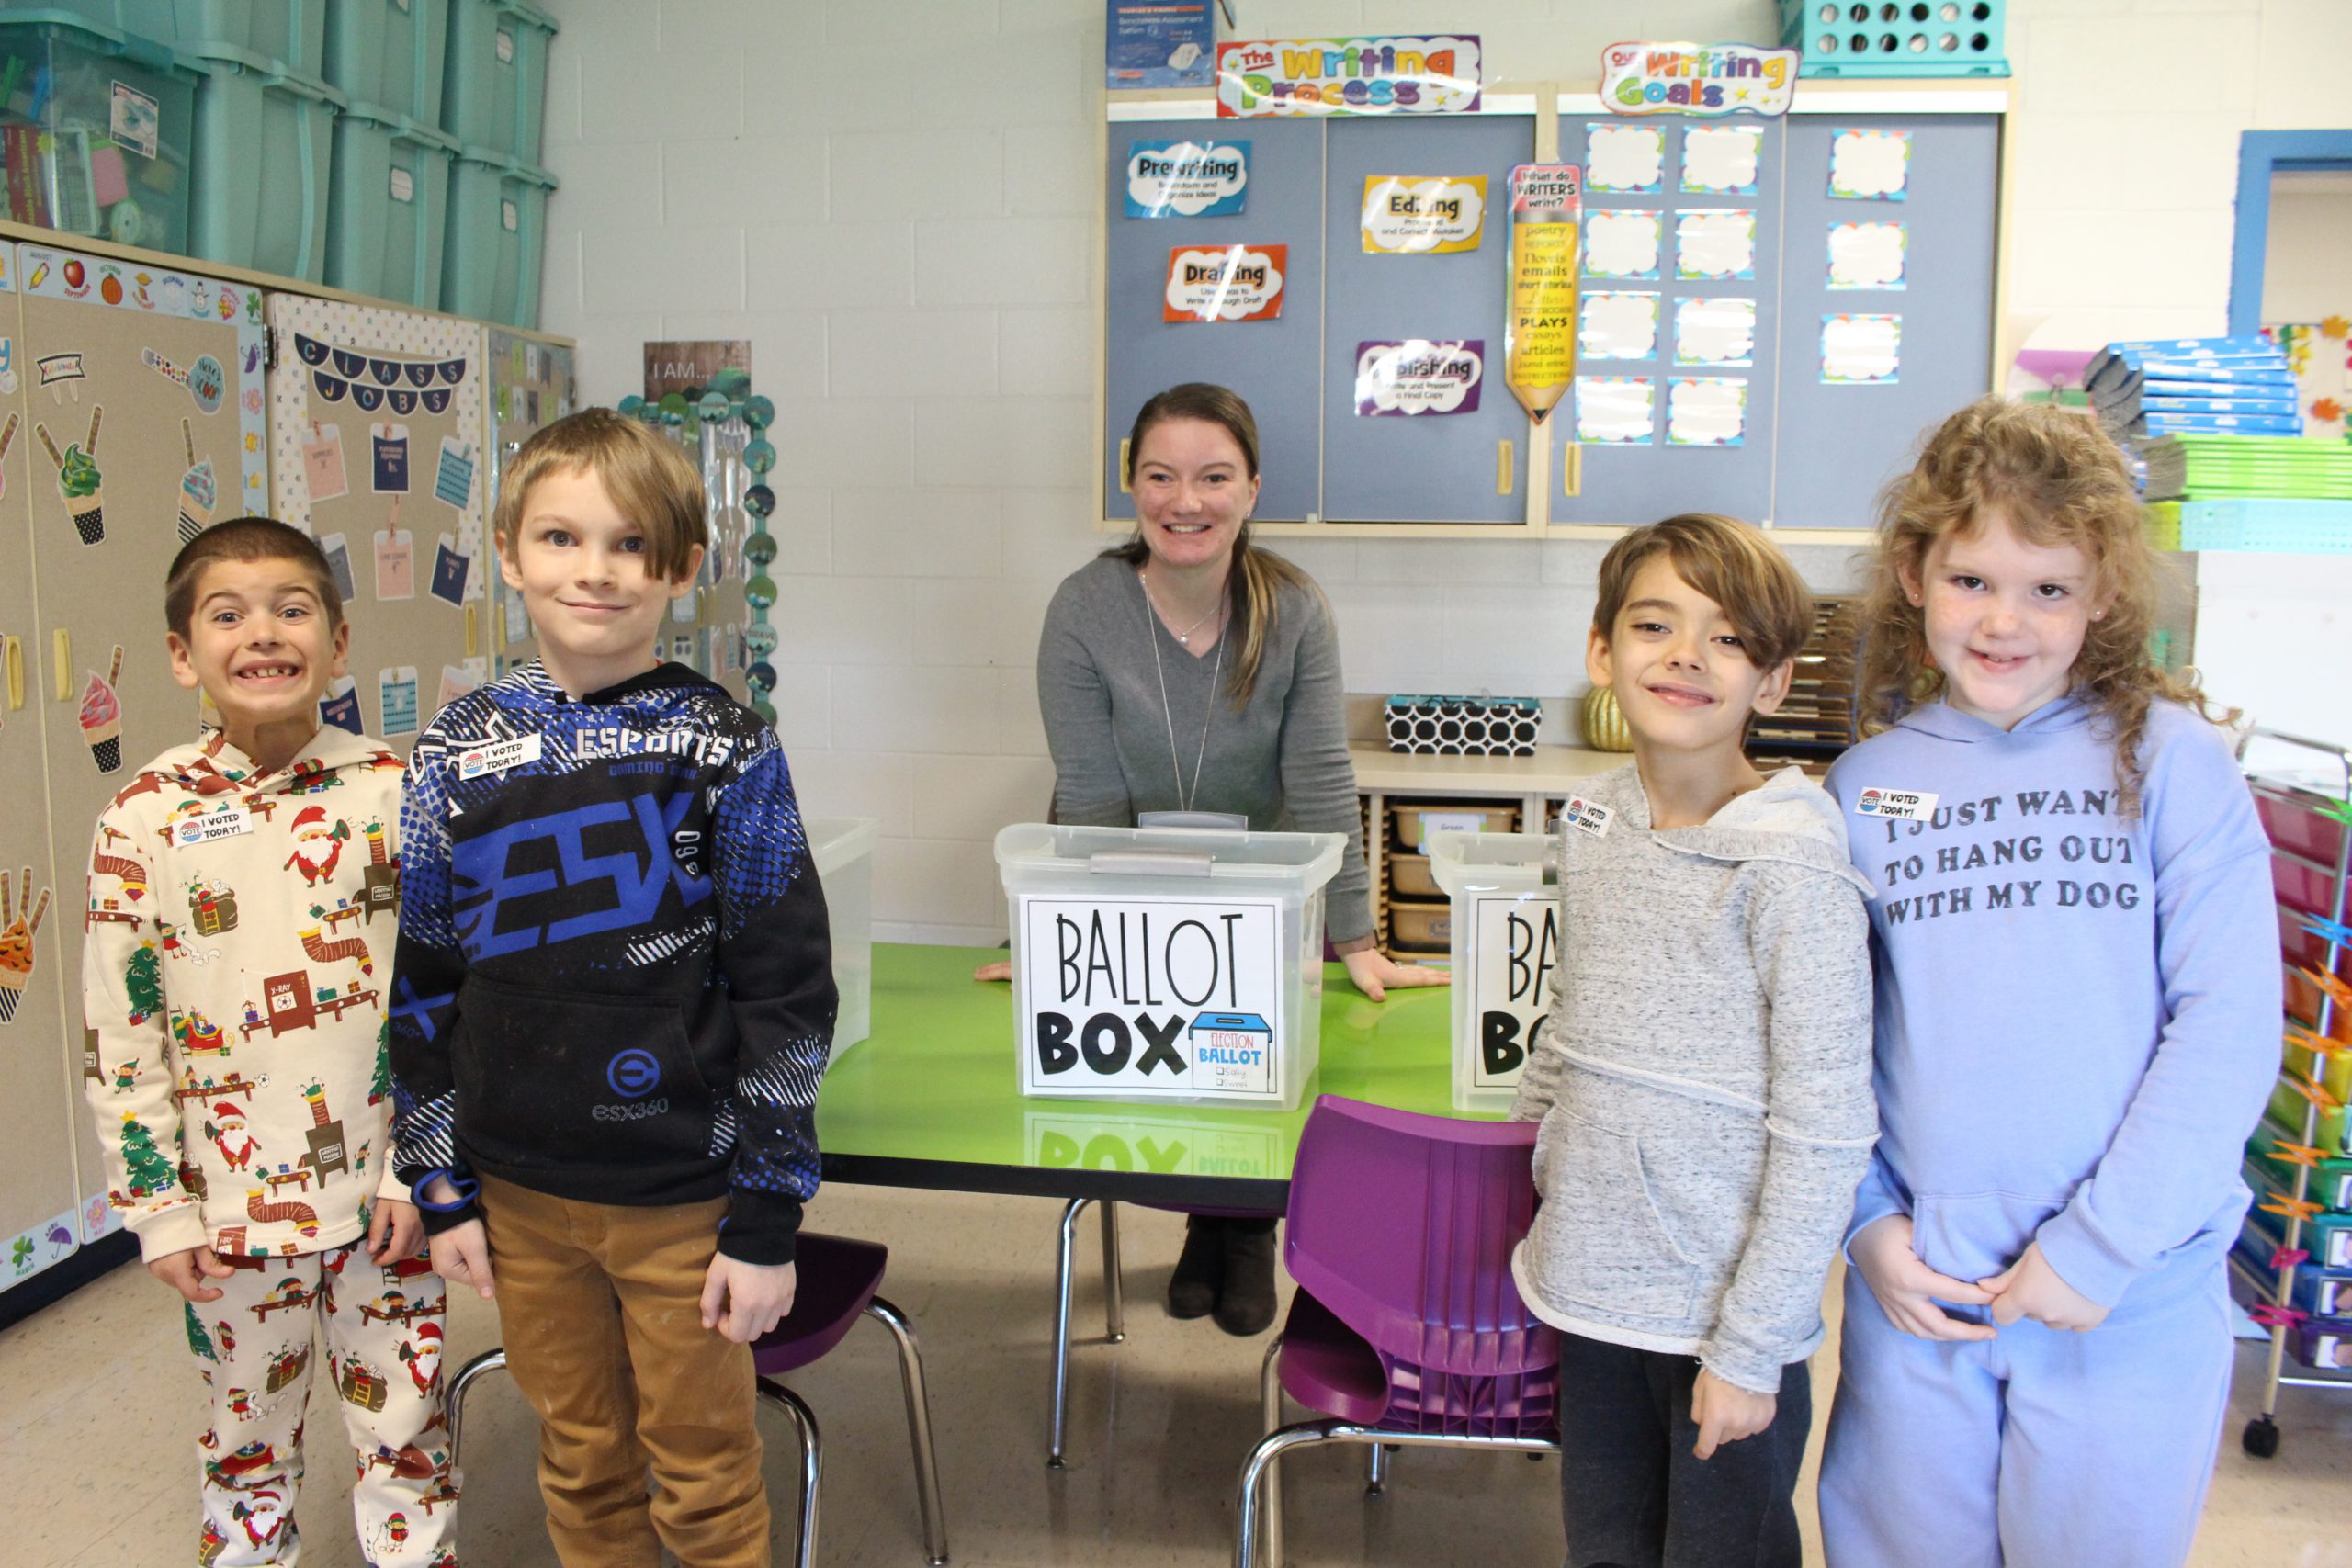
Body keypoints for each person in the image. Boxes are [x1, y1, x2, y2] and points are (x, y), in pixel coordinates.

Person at [1818, 398, 2280, 1568]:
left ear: (2105, 598)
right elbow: (1830, 1043)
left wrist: (2101, 1246)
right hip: (1923, 1294)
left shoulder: (2173, 764)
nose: (2004, 620)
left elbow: (2226, 1025)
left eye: (2048, 589)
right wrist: (1868, 1229)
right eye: (1972, 579)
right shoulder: (1862, 787)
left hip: (2128, 1292)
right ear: (1916, 572)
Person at [390, 409, 834, 1568]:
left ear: (683, 567)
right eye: (561, 538)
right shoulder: (455, 749)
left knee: (700, 1466)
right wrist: (437, 1179)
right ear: (508, 552)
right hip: (518, 1191)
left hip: (680, 1195)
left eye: (631, 545)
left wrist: (766, 1218)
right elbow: (427, 976)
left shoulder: (725, 746)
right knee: (579, 1454)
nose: (595, 570)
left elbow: (786, 995)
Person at [996, 381, 1445, 1337]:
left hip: (1266, 886)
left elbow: (1323, 778)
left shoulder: (1292, 610)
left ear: (1250, 490)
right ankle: (1206, 1219)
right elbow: (1088, 793)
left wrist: (1353, 935)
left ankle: (1237, 1231)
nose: (1183, 500)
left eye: (1212, 477)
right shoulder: (1085, 607)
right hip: (1125, 872)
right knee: (1168, 1054)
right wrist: (1061, 932)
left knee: (1247, 1051)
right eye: (1159, 476)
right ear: (1130, 485)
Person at [83, 518, 454, 1567]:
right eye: (228, 613)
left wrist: (417, 1169)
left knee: (406, 1438)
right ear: (179, 650)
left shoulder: (395, 793)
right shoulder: (142, 818)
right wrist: (156, 1208)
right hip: (229, 1212)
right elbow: (122, 1031)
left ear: (338, 645)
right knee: (244, 1446)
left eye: (294, 609)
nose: (264, 633)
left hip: (388, 1201)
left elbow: (441, 999)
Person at [1509, 513, 1876, 1568]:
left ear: (1771, 682)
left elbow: (1827, 1129)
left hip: (1722, 1327)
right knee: (1604, 1552)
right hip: (1591, 1293)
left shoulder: (1791, 869)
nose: (1683, 656)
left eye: (1725, 638)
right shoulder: (1594, 819)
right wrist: (1521, 1162)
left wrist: (1752, 1351)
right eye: (1654, 624)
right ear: (1599, 651)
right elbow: (1573, 1020)